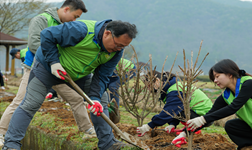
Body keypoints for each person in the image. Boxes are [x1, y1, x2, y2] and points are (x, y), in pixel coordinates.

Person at [2, 19, 138, 150]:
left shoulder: (116, 53)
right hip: (47, 69)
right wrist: (54, 62)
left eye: (123, 47)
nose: (119, 49)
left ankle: (108, 144)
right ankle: (11, 144)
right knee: (31, 103)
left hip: (78, 75)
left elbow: (102, 77)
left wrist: (95, 98)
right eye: (118, 44)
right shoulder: (81, 30)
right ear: (107, 33)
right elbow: (47, 35)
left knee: (100, 100)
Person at [0, 1, 97, 149]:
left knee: (77, 98)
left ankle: (87, 130)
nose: (75, 20)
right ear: (66, 9)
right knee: (21, 101)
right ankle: (2, 133)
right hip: (37, 69)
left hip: (59, 71)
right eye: (75, 16)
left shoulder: (69, 27)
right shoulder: (41, 20)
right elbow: (34, 45)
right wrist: (55, 59)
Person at [136, 70, 213, 147]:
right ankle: (192, 129)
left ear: (157, 80)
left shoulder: (175, 91)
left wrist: (148, 126)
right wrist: (173, 124)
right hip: (200, 114)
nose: (149, 90)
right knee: (177, 109)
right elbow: (176, 109)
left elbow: (169, 112)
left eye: (149, 86)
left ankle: (193, 128)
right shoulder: (172, 87)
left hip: (204, 117)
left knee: (175, 110)